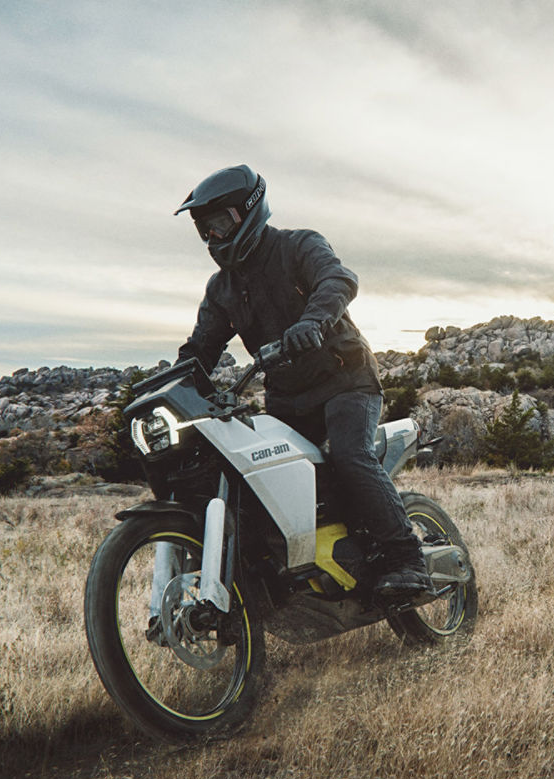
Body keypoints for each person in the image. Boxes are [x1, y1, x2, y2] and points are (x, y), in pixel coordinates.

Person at [172, 164, 432, 597]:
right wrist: (173, 379)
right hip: (289, 399)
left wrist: (313, 321)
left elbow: (338, 279)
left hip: (346, 379)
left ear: (249, 211)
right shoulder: (222, 289)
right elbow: (201, 348)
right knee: (260, 479)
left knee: (350, 456)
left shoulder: (299, 246)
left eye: (220, 225)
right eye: (206, 231)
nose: (214, 239)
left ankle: (408, 557)